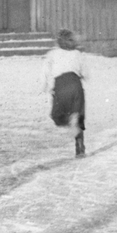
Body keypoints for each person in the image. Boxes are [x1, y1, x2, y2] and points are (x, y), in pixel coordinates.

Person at [41, 29, 88, 157]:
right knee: (78, 116)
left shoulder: (52, 54)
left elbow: (45, 71)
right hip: (76, 85)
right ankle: (80, 148)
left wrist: (45, 85)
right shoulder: (78, 54)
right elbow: (86, 74)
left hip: (61, 86)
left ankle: (68, 121)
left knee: (57, 116)